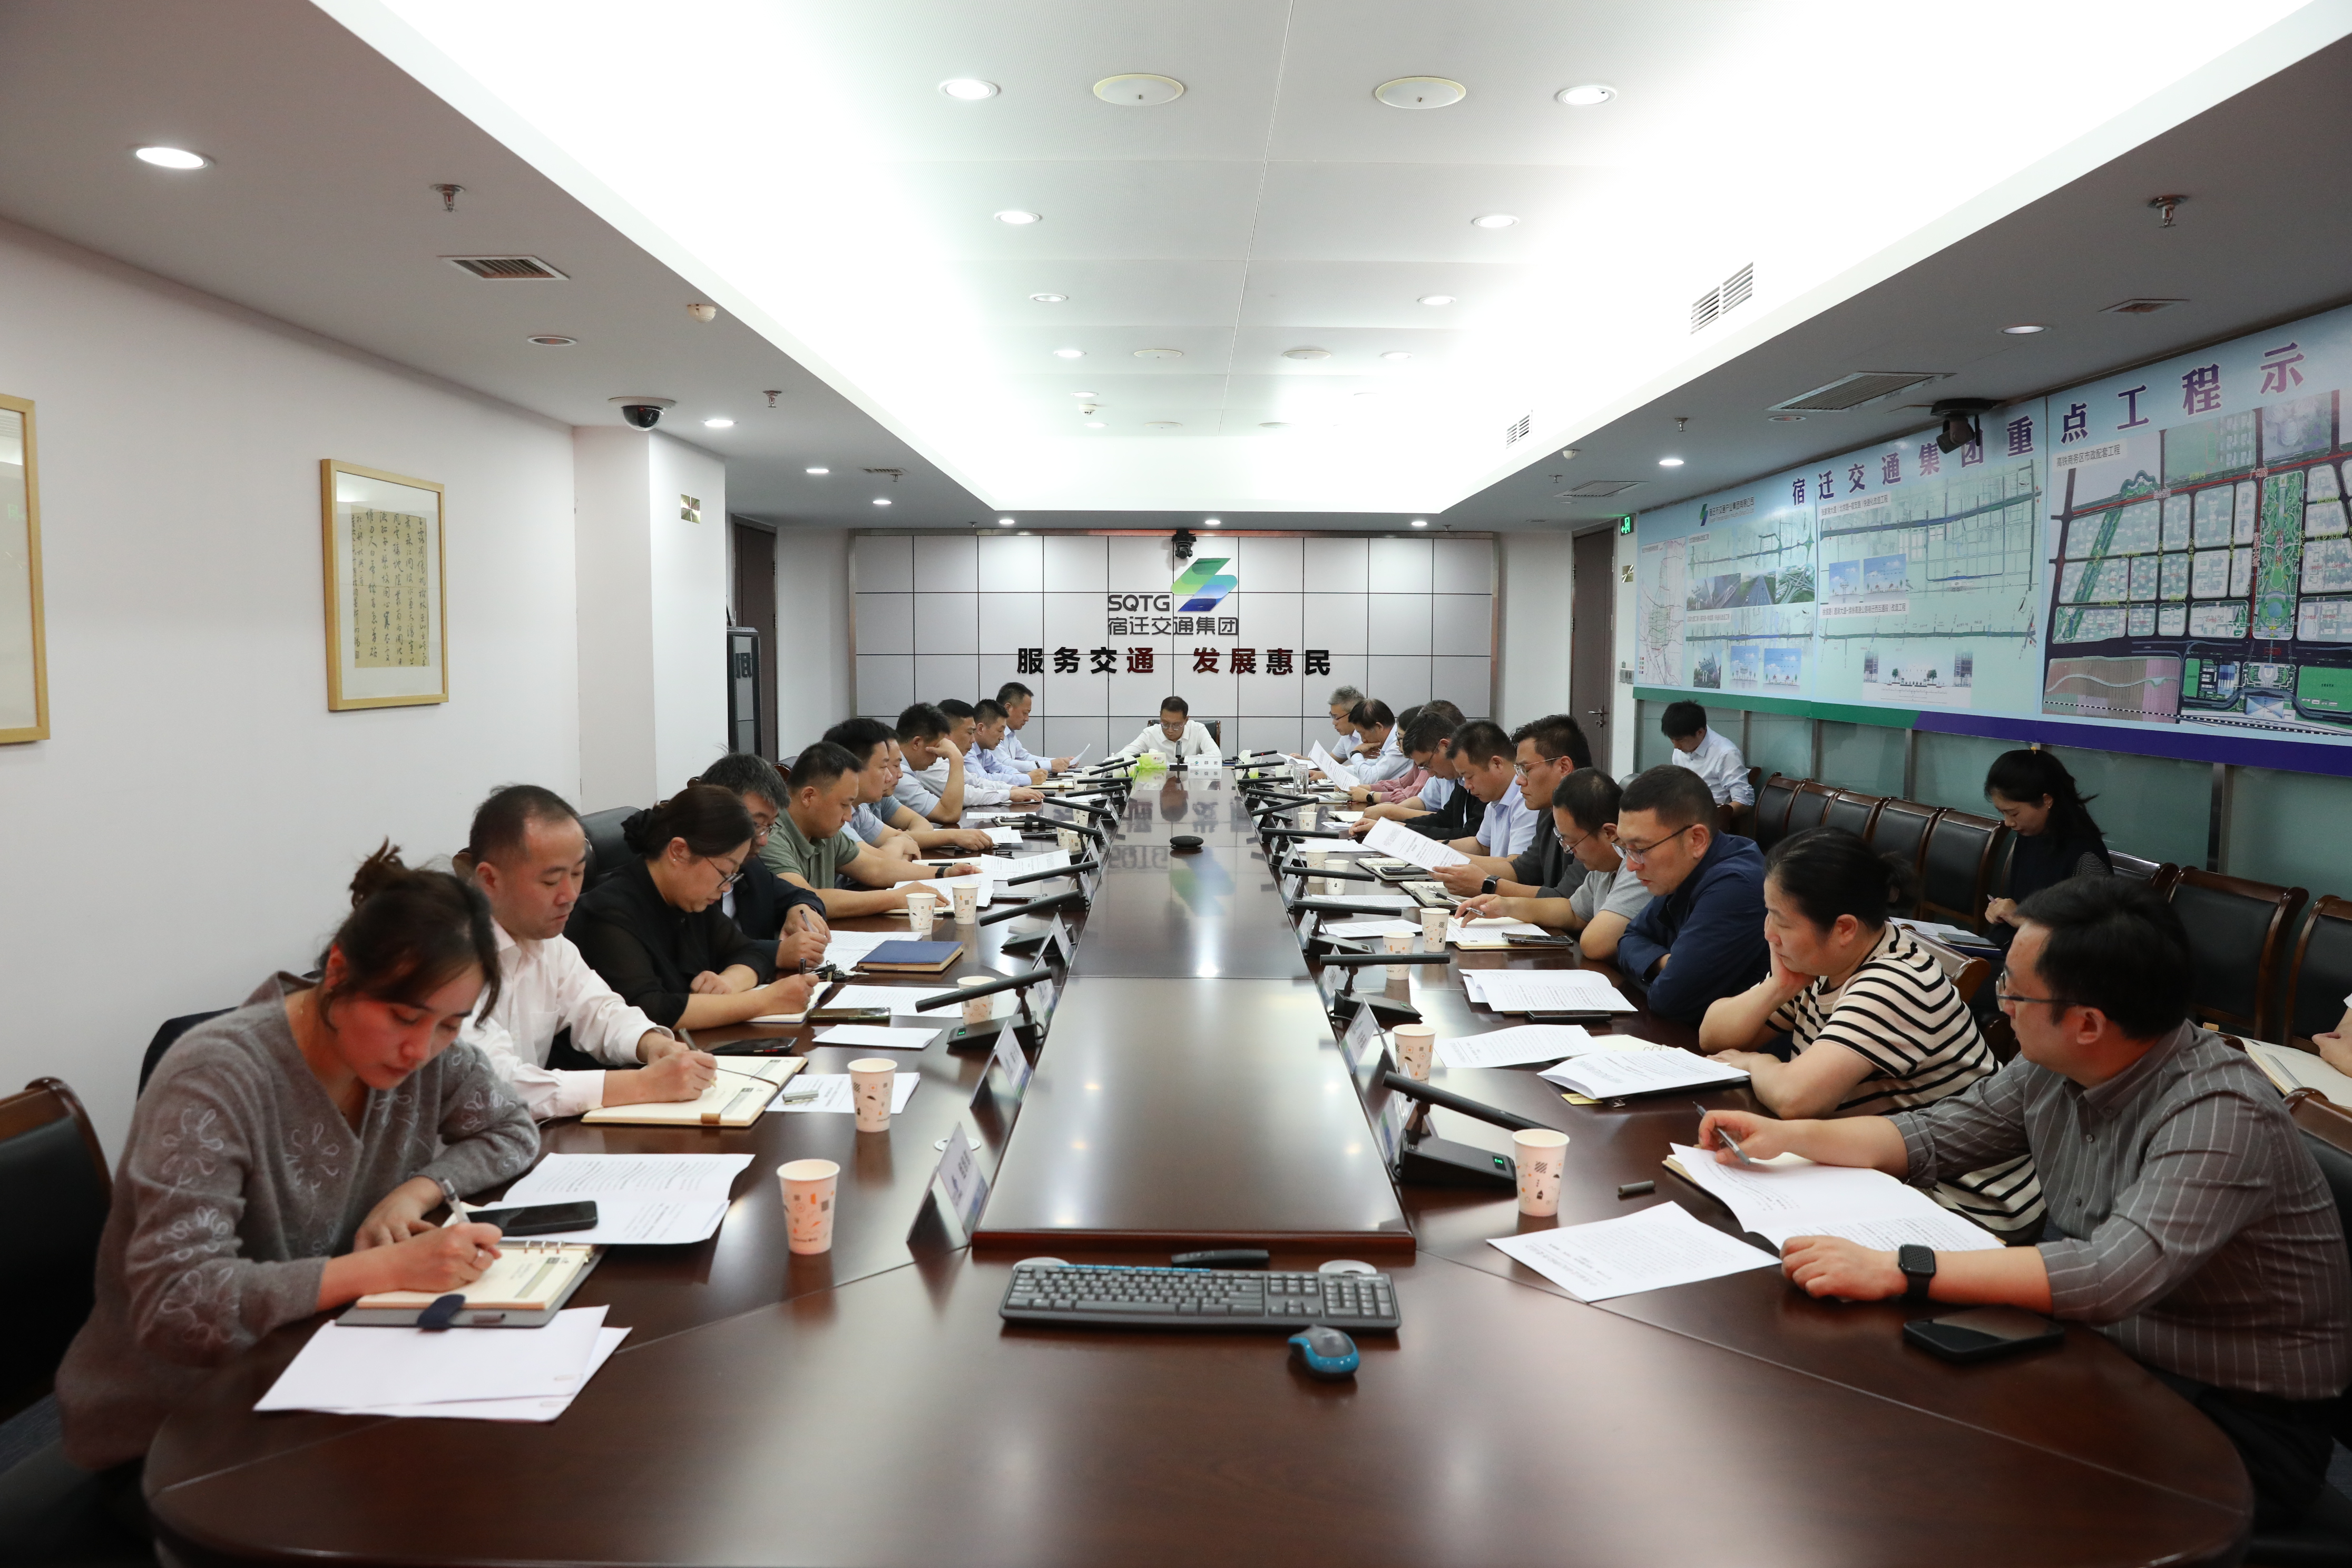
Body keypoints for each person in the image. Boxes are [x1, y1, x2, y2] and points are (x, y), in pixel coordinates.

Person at [1698, 877, 2352, 1530]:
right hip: (2102, 1352)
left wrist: (1899, 1267)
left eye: (2015, 990)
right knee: (1886, 1409)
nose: (2002, 1005)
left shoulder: (2219, 1114)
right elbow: (1934, 1136)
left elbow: (2109, 1273)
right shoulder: (2058, 1062)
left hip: (2234, 1418)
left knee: (1954, 1488)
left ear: (2088, 1023)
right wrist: (1788, 1137)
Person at [48, 846, 537, 1534]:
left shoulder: (431, 1055)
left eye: (451, 1025)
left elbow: (512, 1128)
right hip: (177, 1428)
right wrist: (385, 1269)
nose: (422, 1049)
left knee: (498, 1481)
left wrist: (417, 1191)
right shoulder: (216, 1077)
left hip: (317, 1369)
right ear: (338, 973)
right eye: (404, 1017)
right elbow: (178, 1302)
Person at [1694, 826, 2043, 1234]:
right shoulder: (1824, 963)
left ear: (1844, 928)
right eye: (1768, 912)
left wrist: (1757, 1062)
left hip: (1966, 1202)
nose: (1768, 933)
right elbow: (1713, 1036)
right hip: (1887, 1171)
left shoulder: (1894, 980)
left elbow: (1795, 1098)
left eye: (1782, 921)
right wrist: (1777, 988)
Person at [456, 785, 727, 1121]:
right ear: (489, 880)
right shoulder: (448, 958)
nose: (570, 895)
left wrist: (653, 1044)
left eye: (577, 874)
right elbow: (492, 1084)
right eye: (551, 881)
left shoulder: (549, 942)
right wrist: (643, 1085)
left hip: (522, 1135)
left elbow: (599, 1009)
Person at [567, 785, 815, 1028]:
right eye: (724, 873)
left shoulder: (689, 900)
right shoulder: (608, 914)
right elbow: (648, 1011)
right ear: (679, 851)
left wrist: (728, 983)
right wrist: (763, 1001)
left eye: (734, 875)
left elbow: (753, 952)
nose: (726, 888)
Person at [1614, 765, 1770, 1023]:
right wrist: (1667, 963)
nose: (1631, 866)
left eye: (1640, 849)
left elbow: (1669, 999)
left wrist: (1667, 969)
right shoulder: (1683, 869)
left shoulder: (1736, 887)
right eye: (1625, 848)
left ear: (1696, 840)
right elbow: (1629, 939)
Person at [1456, 767, 1651, 962]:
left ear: (1609, 833)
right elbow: (1573, 912)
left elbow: (1595, 944)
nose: (1569, 850)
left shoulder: (1638, 869)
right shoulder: (1603, 867)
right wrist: (1504, 906)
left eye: (1573, 841)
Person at [766, 740, 972, 917]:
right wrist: (895, 898)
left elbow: (875, 869)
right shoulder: (770, 836)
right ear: (808, 796)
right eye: (844, 805)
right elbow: (805, 899)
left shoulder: (824, 830)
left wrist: (944, 873)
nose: (848, 817)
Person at [1435, 714, 1591, 900]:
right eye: (1518, 770)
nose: (1519, 780)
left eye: (1526, 770)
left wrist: (1487, 884)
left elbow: (1567, 901)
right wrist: (1442, 856)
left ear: (1564, 767)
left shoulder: (1592, 818)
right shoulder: (1547, 812)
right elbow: (1522, 870)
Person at [691, 753, 830, 962]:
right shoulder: (690, 877)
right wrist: (777, 953)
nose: (764, 841)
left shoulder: (751, 868)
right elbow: (702, 955)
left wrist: (801, 910)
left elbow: (800, 895)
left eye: (770, 826)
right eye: (756, 825)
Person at [824, 718, 996, 864]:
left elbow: (919, 828)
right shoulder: (836, 815)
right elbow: (879, 867)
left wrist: (900, 844)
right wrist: (900, 845)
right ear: (854, 769)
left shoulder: (860, 809)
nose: (893, 776)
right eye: (884, 766)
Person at [1982, 748, 2111, 939]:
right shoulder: (2031, 835)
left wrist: (2022, 918)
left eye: (2014, 813)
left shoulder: (2084, 856)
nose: (2008, 823)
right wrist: (2000, 911)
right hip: (2015, 944)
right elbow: (2020, 906)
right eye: (2002, 813)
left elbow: (2096, 936)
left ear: (2046, 801)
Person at [1662, 699, 1752, 832]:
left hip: (1709, 823)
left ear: (1700, 732)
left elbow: (1744, 802)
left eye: (1680, 740)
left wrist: (1712, 817)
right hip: (1683, 814)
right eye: (1672, 740)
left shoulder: (1726, 753)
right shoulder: (1682, 747)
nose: (1676, 746)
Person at [994, 681, 1074, 779]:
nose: (1027, 719)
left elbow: (1025, 757)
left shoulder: (1010, 733)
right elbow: (1005, 765)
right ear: (1008, 708)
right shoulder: (992, 732)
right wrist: (1051, 765)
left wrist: (1061, 762)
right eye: (1025, 713)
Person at [1113, 694, 1221, 763]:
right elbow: (1121, 757)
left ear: (1186, 720)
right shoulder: (1150, 734)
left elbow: (1217, 756)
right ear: (1160, 716)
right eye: (1165, 724)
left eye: (1176, 725)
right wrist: (1148, 760)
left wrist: (1185, 760)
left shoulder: (1198, 730)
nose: (1170, 730)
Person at [968, 698, 1037, 786]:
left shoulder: (984, 750)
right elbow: (983, 780)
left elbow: (1001, 768)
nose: (1002, 738)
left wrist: (1023, 777)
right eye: (1000, 731)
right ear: (981, 729)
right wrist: (1027, 779)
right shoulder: (966, 750)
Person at [1341, 699, 1410, 783]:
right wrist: (1335, 771)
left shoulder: (1399, 744)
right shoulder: (1385, 742)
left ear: (1379, 727)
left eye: (1363, 733)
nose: (1363, 740)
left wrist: (1355, 753)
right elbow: (1366, 771)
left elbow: (1369, 779)